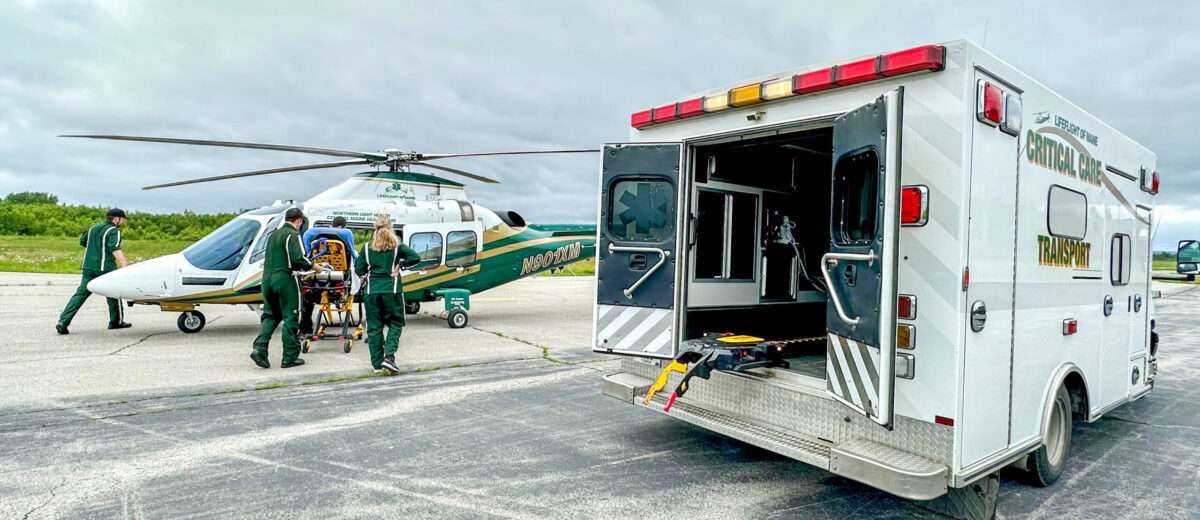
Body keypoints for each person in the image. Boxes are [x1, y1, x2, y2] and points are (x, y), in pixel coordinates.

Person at [250, 208, 324, 369]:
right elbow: (298, 258)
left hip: (267, 278)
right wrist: (314, 266)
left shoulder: (274, 234)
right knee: (292, 316)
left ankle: (260, 348)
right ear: (298, 220)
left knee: (270, 314)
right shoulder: (293, 235)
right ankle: (289, 356)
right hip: (285, 279)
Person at [354, 215, 420, 374]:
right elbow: (415, 257)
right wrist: (400, 265)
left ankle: (377, 365)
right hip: (392, 290)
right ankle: (389, 357)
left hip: (372, 291)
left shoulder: (367, 247)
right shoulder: (397, 246)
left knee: (374, 328)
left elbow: (359, 270)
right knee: (396, 323)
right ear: (390, 228)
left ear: (374, 229)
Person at [56, 208, 131, 334]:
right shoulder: (114, 231)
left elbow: (82, 242)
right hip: (105, 268)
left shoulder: (92, 228)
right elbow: (114, 248)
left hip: (88, 267)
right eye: (122, 219)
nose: (122, 222)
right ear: (116, 218)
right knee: (113, 294)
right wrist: (124, 262)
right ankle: (115, 322)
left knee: (80, 295)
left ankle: (63, 321)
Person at [299, 216, 356, 335]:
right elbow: (353, 255)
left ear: (332, 224)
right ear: (342, 226)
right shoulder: (345, 234)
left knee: (307, 299)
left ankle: (305, 328)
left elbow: (307, 255)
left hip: (318, 273)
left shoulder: (313, 235)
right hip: (339, 276)